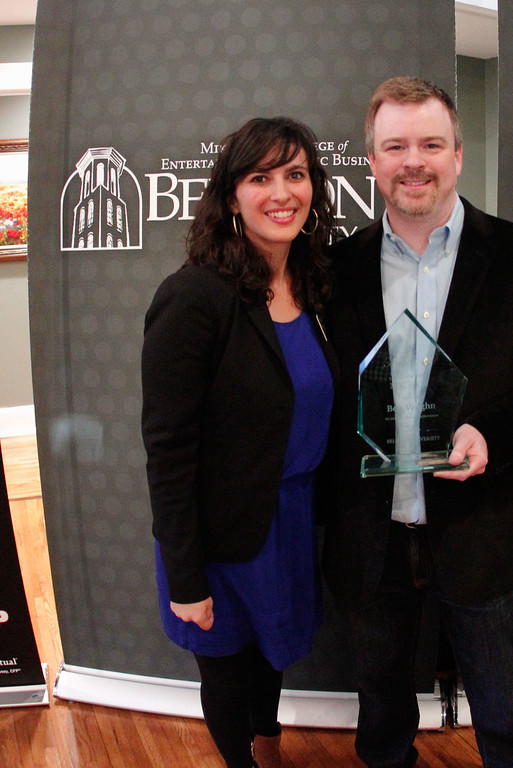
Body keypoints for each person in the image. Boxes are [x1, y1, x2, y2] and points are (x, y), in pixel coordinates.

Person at [322, 77, 513, 768]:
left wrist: (491, 434)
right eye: (395, 146)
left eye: (430, 144)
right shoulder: (331, 267)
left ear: (458, 155)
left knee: (504, 712)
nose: (414, 160)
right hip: (369, 535)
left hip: (483, 527)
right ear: (373, 159)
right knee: (381, 713)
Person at [141, 117, 337, 768]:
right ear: (230, 197)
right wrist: (187, 575)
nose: (282, 192)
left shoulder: (315, 288)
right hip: (220, 536)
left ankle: (269, 745)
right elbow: (168, 451)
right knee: (226, 669)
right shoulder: (193, 297)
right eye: (261, 177)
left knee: (271, 654)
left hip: (291, 520)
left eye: (296, 174)